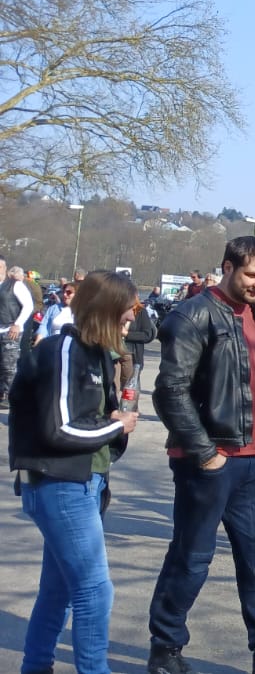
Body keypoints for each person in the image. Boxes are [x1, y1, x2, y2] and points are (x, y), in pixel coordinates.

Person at [147, 236, 255, 674]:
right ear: (227, 266)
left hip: (254, 460)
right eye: (251, 275)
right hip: (207, 461)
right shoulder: (193, 314)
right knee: (191, 558)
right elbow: (169, 391)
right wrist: (206, 453)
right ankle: (165, 649)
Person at [7, 270, 140, 674]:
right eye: (128, 312)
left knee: (59, 589)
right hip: (59, 484)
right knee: (94, 592)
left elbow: (80, 419)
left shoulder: (96, 353)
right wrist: (117, 426)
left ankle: (35, 666)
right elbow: (60, 429)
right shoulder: (63, 350)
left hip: (81, 483)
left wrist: (110, 422)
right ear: (107, 311)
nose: (131, 320)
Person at [0, 261, 35, 406]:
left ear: (5, 268)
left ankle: (10, 395)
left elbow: (28, 305)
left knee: (9, 365)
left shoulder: (15, 285)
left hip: (10, 330)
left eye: (0, 267)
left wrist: (18, 323)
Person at [120, 297, 159, 409]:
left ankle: (130, 411)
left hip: (132, 355)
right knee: (113, 387)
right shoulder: (114, 308)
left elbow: (147, 335)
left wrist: (127, 334)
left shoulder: (140, 311)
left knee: (130, 389)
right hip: (114, 355)